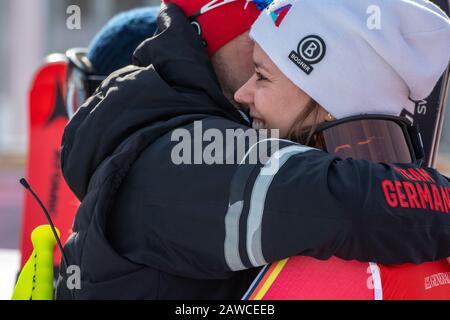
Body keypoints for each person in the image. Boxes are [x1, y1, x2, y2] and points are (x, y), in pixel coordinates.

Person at [56, 1, 450, 300]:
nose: (248, 91)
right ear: (225, 38)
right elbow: (347, 203)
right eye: (259, 60)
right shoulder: (176, 155)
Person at [235, 0, 450, 299]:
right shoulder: (418, 223)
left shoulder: (331, 255)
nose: (241, 93)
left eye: (261, 76)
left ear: (328, 104)